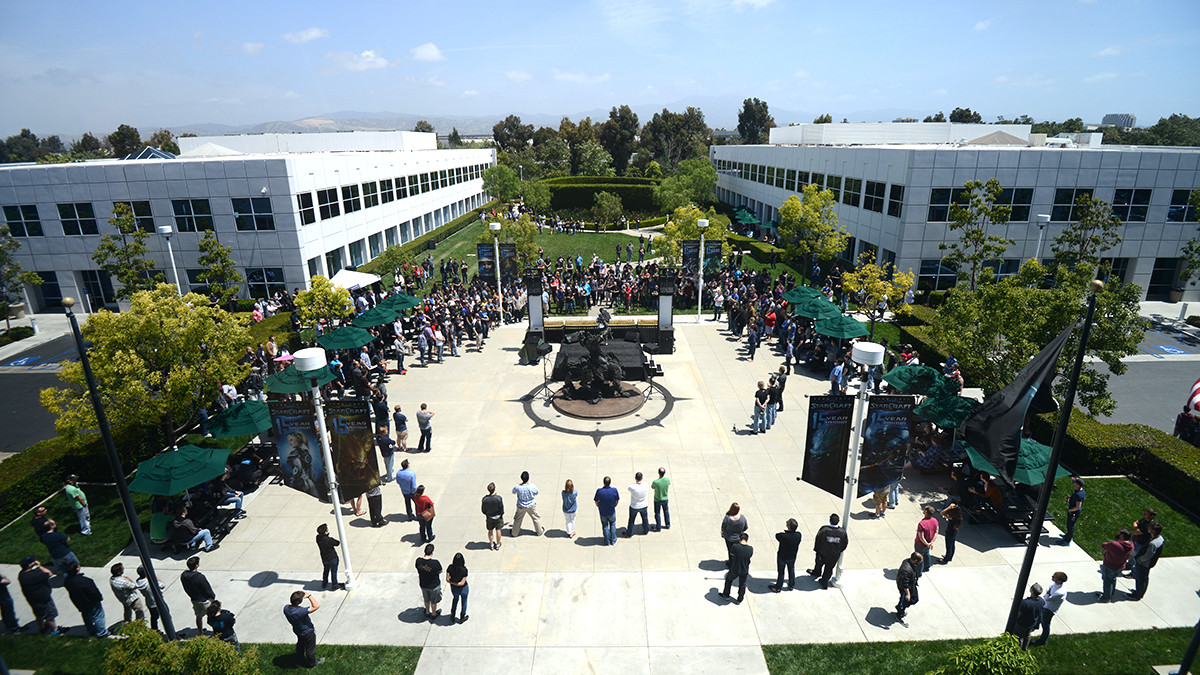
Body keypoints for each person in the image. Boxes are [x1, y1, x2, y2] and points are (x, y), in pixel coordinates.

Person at [63, 561, 107, 637]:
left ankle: (91, 630)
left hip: (79, 603)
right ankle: (102, 633)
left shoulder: (67, 581)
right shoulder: (86, 581)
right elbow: (93, 592)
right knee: (98, 617)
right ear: (77, 568)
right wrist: (99, 597)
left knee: (87, 616)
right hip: (92, 602)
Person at [18, 557, 59, 635]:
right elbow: (50, 573)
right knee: (50, 614)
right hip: (44, 599)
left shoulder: (22, 574)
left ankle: (42, 628)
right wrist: (40, 566)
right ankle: (55, 630)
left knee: (39, 615)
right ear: (30, 565)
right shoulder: (36, 575)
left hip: (33, 599)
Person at [809, 513, 848, 589]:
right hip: (834, 555)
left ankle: (817, 573)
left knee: (819, 564)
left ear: (830, 521)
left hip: (822, 553)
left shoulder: (824, 530)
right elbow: (845, 544)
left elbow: (818, 540)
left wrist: (817, 549)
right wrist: (839, 551)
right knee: (829, 569)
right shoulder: (842, 532)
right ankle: (824, 581)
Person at [284, 590, 323, 667]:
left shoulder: (286, 608)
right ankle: (312, 663)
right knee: (310, 649)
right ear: (299, 601)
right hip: (308, 632)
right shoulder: (300, 611)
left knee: (300, 645)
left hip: (297, 630)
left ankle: (299, 660)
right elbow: (316, 606)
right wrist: (309, 596)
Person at [1128, 522, 1165, 601]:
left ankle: (1137, 595)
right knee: (1143, 579)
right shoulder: (1160, 539)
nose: (1148, 528)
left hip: (1143, 564)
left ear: (1153, 531)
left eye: (1150, 528)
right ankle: (1139, 592)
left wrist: (1139, 559)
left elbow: (1148, 556)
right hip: (1148, 564)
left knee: (1140, 579)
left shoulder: (1153, 543)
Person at [181, 556, 216, 635]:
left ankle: (201, 632)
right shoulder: (200, 577)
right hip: (205, 601)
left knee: (199, 616)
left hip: (194, 600)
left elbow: (185, 588)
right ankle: (216, 632)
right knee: (212, 616)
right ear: (197, 565)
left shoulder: (184, 576)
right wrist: (212, 598)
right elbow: (208, 590)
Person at [1097, 528, 1134, 602]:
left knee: (1107, 581)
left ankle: (1106, 598)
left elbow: (1104, 545)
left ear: (1122, 536)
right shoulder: (1131, 545)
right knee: (1113, 580)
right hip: (1120, 566)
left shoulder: (1115, 544)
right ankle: (1110, 594)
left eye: (1119, 533)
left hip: (1110, 566)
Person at [1031, 572, 1067, 647]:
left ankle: (1042, 641)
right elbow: (1049, 588)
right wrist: (1048, 592)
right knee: (1039, 616)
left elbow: (1047, 598)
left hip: (1049, 609)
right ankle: (1035, 626)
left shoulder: (1059, 592)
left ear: (1060, 581)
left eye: (1054, 577)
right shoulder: (1056, 585)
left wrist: (1048, 593)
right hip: (1046, 605)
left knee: (1045, 625)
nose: (1052, 577)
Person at [769, 518, 803, 592]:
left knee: (781, 572)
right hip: (792, 557)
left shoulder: (784, 536)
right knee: (791, 570)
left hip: (782, 557)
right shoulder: (798, 535)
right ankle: (791, 584)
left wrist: (786, 532)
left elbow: (777, 535)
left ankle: (778, 587)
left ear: (789, 527)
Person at [720, 533, 753, 604]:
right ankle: (740, 598)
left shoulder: (735, 547)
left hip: (735, 569)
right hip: (744, 570)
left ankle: (726, 595)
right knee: (742, 584)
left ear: (739, 539)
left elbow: (732, 555)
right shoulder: (750, 549)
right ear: (747, 540)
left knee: (729, 580)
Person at [415, 544, 443, 623]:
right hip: (433, 585)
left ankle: (427, 612)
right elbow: (440, 571)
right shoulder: (435, 563)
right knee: (433, 600)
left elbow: (417, 567)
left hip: (423, 584)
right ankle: (433, 614)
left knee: (426, 599)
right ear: (432, 552)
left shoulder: (418, 561)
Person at [1013, 583, 1045, 651]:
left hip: (1022, 624)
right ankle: (1024, 649)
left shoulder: (1025, 603)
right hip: (1031, 623)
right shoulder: (1042, 601)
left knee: (1018, 637)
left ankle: (1017, 650)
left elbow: (1019, 614)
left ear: (1032, 590)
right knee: (1027, 636)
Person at [511, 471, 543, 537]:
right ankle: (539, 531)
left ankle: (514, 533)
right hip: (531, 505)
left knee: (517, 519)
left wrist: (519, 484)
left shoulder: (518, 487)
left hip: (521, 506)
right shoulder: (532, 486)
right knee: (535, 518)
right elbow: (536, 492)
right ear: (528, 478)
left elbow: (513, 491)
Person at [135, 566, 166, 632]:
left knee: (154, 618)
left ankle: (154, 630)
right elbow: (162, 585)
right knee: (165, 616)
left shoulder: (138, 581)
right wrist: (154, 578)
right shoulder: (150, 582)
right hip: (157, 602)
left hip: (149, 602)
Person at [1129, 508, 1157, 577]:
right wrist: (1136, 527)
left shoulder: (1150, 525)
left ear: (1151, 516)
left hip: (1141, 543)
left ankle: (1134, 573)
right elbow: (1135, 522)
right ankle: (1129, 565)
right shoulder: (1144, 520)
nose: (1144, 515)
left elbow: (1137, 532)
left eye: (1146, 514)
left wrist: (1135, 528)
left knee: (1136, 557)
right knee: (1132, 553)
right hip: (1135, 540)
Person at [594, 476, 621, 546]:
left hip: (603, 512)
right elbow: (617, 501)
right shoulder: (614, 490)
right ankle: (613, 539)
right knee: (613, 524)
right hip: (611, 511)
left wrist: (599, 506)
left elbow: (596, 501)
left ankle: (607, 541)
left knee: (605, 526)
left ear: (603, 483)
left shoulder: (599, 491)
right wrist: (614, 506)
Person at [721, 503, 748, 567]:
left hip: (729, 538)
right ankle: (736, 563)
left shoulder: (727, 518)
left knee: (730, 551)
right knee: (737, 551)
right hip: (738, 538)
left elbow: (723, 527)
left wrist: (723, 533)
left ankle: (731, 563)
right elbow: (746, 527)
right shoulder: (742, 518)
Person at [1058, 477, 1085, 546]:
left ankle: (1067, 541)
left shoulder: (1079, 495)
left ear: (1078, 485)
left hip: (1074, 513)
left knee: (1070, 526)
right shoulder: (1077, 490)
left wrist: (1070, 510)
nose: (1073, 483)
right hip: (1073, 511)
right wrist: (1070, 499)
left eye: (1074, 482)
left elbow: (1078, 507)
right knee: (1069, 525)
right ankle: (1068, 535)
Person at [316, 524, 343, 590]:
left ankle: (324, 582)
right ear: (325, 532)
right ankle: (334, 585)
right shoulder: (328, 540)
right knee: (334, 572)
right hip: (332, 558)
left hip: (324, 558)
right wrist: (330, 538)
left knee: (326, 570)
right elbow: (337, 543)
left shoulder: (318, 538)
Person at [914, 506, 938, 576]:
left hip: (920, 544)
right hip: (929, 543)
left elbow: (921, 537)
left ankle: (919, 573)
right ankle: (926, 567)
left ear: (926, 512)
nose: (923, 510)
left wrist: (927, 544)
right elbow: (936, 532)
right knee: (927, 554)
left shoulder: (922, 524)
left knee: (919, 558)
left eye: (924, 509)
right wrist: (931, 542)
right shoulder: (935, 521)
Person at [446, 552, 469, 624]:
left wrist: (453, 583)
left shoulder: (450, 568)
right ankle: (462, 616)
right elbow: (462, 583)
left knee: (455, 599)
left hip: (454, 588)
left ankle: (452, 615)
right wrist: (458, 583)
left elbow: (447, 579)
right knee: (464, 601)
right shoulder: (464, 570)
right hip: (463, 588)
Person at [625, 472, 650, 537]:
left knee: (631, 520)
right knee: (645, 519)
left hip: (634, 506)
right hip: (643, 505)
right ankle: (646, 530)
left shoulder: (632, 487)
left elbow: (629, 487)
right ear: (642, 478)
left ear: (635, 478)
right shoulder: (646, 485)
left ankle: (629, 533)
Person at [482, 482, 505, 550]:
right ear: (494, 489)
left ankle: (491, 544)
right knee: (498, 530)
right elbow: (501, 508)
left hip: (489, 517)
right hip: (498, 517)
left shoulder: (485, 499)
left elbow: (483, 510)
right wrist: (501, 514)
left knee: (490, 531)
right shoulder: (498, 498)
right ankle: (498, 544)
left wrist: (487, 513)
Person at [651, 467, 671, 532]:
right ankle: (667, 525)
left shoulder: (656, 482)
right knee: (666, 512)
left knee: (657, 513)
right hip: (665, 499)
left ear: (658, 473)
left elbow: (652, 487)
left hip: (657, 500)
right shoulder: (667, 480)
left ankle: (658, 527)